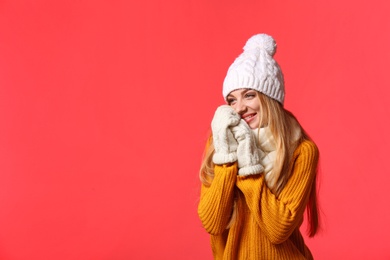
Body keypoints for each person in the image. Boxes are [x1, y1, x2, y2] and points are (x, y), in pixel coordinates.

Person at [198, 34, 320, 259]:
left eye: (250, 95)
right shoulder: (221, 144)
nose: (240, 108)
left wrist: (249, 167)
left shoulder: (301, 151)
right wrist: (227, 157)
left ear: (270, 98)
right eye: (232, 100)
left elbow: (278, 229)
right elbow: (213, 223)